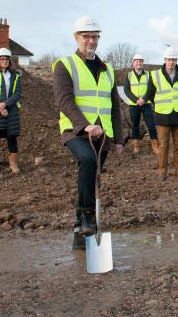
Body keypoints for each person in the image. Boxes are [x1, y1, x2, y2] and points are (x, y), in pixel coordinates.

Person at [52, 16, 123, 250]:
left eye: (95, 37)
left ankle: (81, 236)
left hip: (103, 133)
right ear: (76, 38)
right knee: (86, 159)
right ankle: (85, 218)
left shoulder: (108, 69)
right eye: (86, 36)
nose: (91, 41)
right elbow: (64, 100)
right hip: (75, 130)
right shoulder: (65, 65)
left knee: (93, 178)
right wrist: (85, 125)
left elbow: (114, 105)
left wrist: (119, 139)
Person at [145, 47, 178, 180]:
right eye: (169, 59)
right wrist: (160, 104)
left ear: (176, 60)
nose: (171, 62)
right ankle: (162, 171)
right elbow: (150, 94)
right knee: (163, 145)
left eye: (174, 60)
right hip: (163, 116)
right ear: (165, 60)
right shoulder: (155, 75)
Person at [123, 53, 159, 155]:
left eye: (140, 61)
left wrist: (144, 99)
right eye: (136, 61)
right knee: (135, 125)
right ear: (133, 63)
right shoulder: (128, 76)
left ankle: (155, 146)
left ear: (142, 63)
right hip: (134, 105)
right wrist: (136, 100)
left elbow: (151, 89)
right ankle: (136, 146)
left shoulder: (149, 75)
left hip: (146, 103)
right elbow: (126, 90)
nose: (138, 63)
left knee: (151, 125)